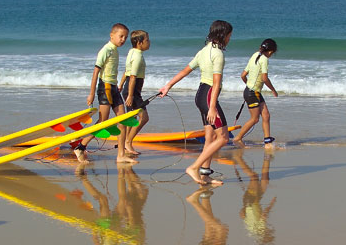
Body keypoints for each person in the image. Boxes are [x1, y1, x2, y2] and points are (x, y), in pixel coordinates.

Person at [159, 20, 233, 185]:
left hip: (200, 96)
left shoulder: (203, 51)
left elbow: (185, 70)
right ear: (223, 35)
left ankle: (205, 174)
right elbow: (216, 83)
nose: (229, 39)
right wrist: (212, 107)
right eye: (229, 35)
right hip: (208, 98)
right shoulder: (218, 54)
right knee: (223, 138)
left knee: (210, 137)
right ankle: (194, 167)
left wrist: (168, 85)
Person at [73, 23, 138, 164]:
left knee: (123, 120)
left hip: (113, 87)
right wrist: (91, 94)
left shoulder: (115, 50)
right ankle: (81, 146)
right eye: (121, 36)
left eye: (125, 37)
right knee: (103, 122)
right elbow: (96, 72)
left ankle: (120, 155)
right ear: (112, 35)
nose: (123, 40)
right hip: (105, 88)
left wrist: (118, 86)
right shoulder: (106, 50)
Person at [232, 38, 278, 149]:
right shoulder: (264, 59)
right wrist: (273, 90)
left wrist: (249, 85)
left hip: (252, 92)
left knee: (266, 115)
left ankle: (267, 142)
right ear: (271, 51)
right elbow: (265, 78)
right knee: (255, 119)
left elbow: (243, 75)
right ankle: (238, 138)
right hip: (253, 93)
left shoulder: (255, 55)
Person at [118, 30, 151, 155]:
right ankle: (128, 142)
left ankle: (126, 143)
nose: (149, 42)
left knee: (131, 118)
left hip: (130, 90)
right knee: (144, 117)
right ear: (139, 42)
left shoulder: (131, 52)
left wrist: (121, 85)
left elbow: (126, 71)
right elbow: (132, 76)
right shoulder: (137, 56)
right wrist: (131, 95)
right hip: (133, 92)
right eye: (147, 40)